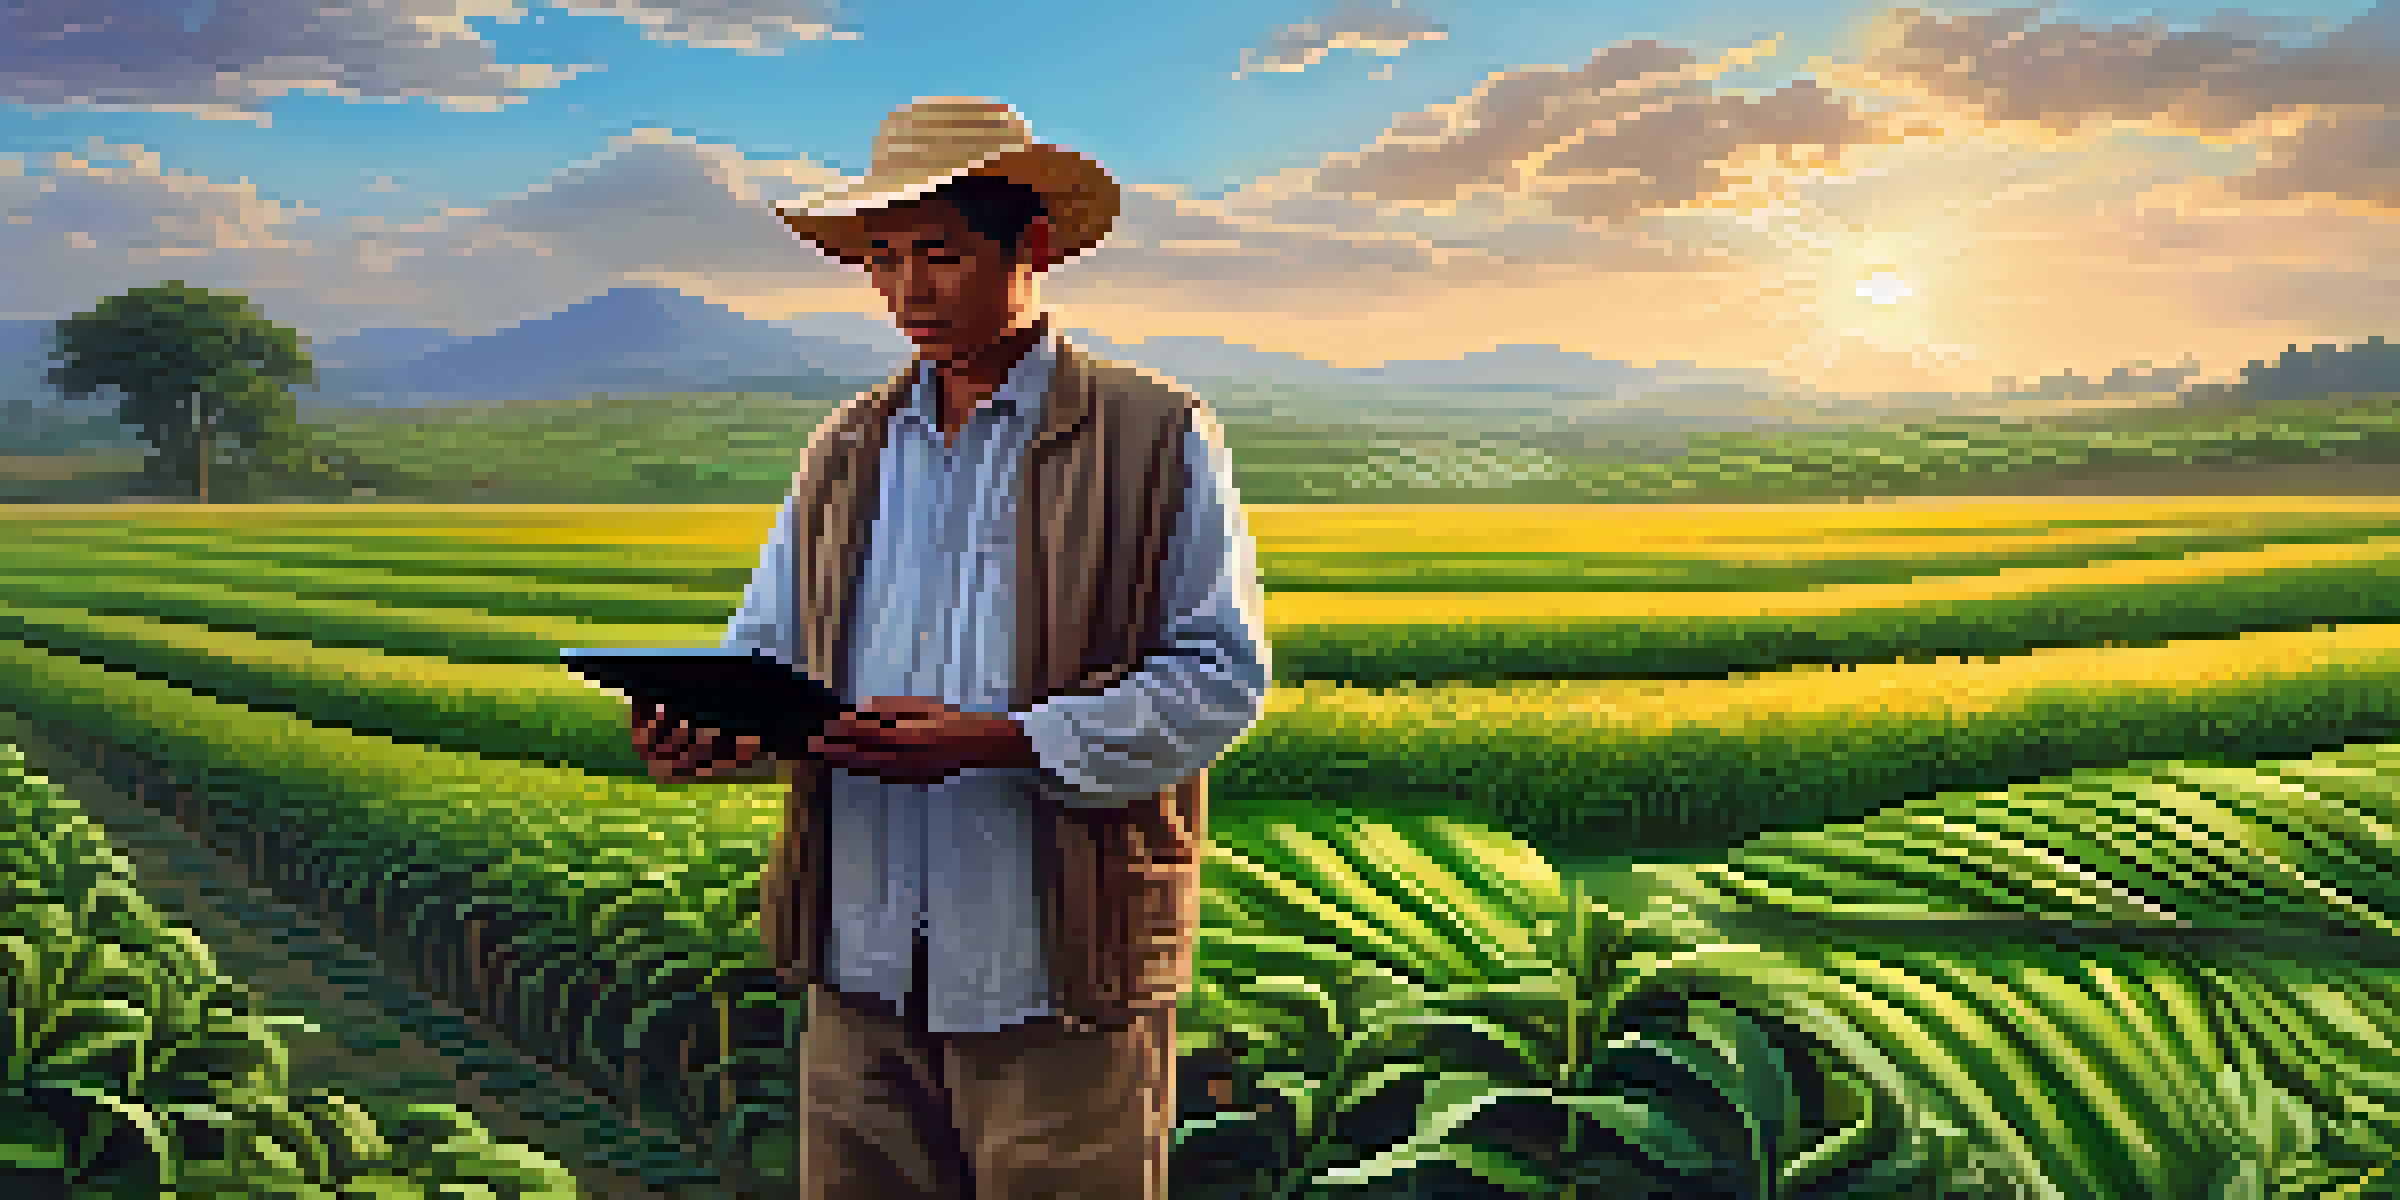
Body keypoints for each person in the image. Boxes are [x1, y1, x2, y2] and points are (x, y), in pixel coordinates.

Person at [631, 96, 1273, 1199]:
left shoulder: (1155, 432)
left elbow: (1219, 677)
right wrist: (722, 726)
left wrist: (1008, 742)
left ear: (1032, 247)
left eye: (939, 255)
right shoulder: (846, 445)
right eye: (881, 262)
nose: (906, 292)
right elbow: (769, 648)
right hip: (859, 970)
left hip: (1055, 977)